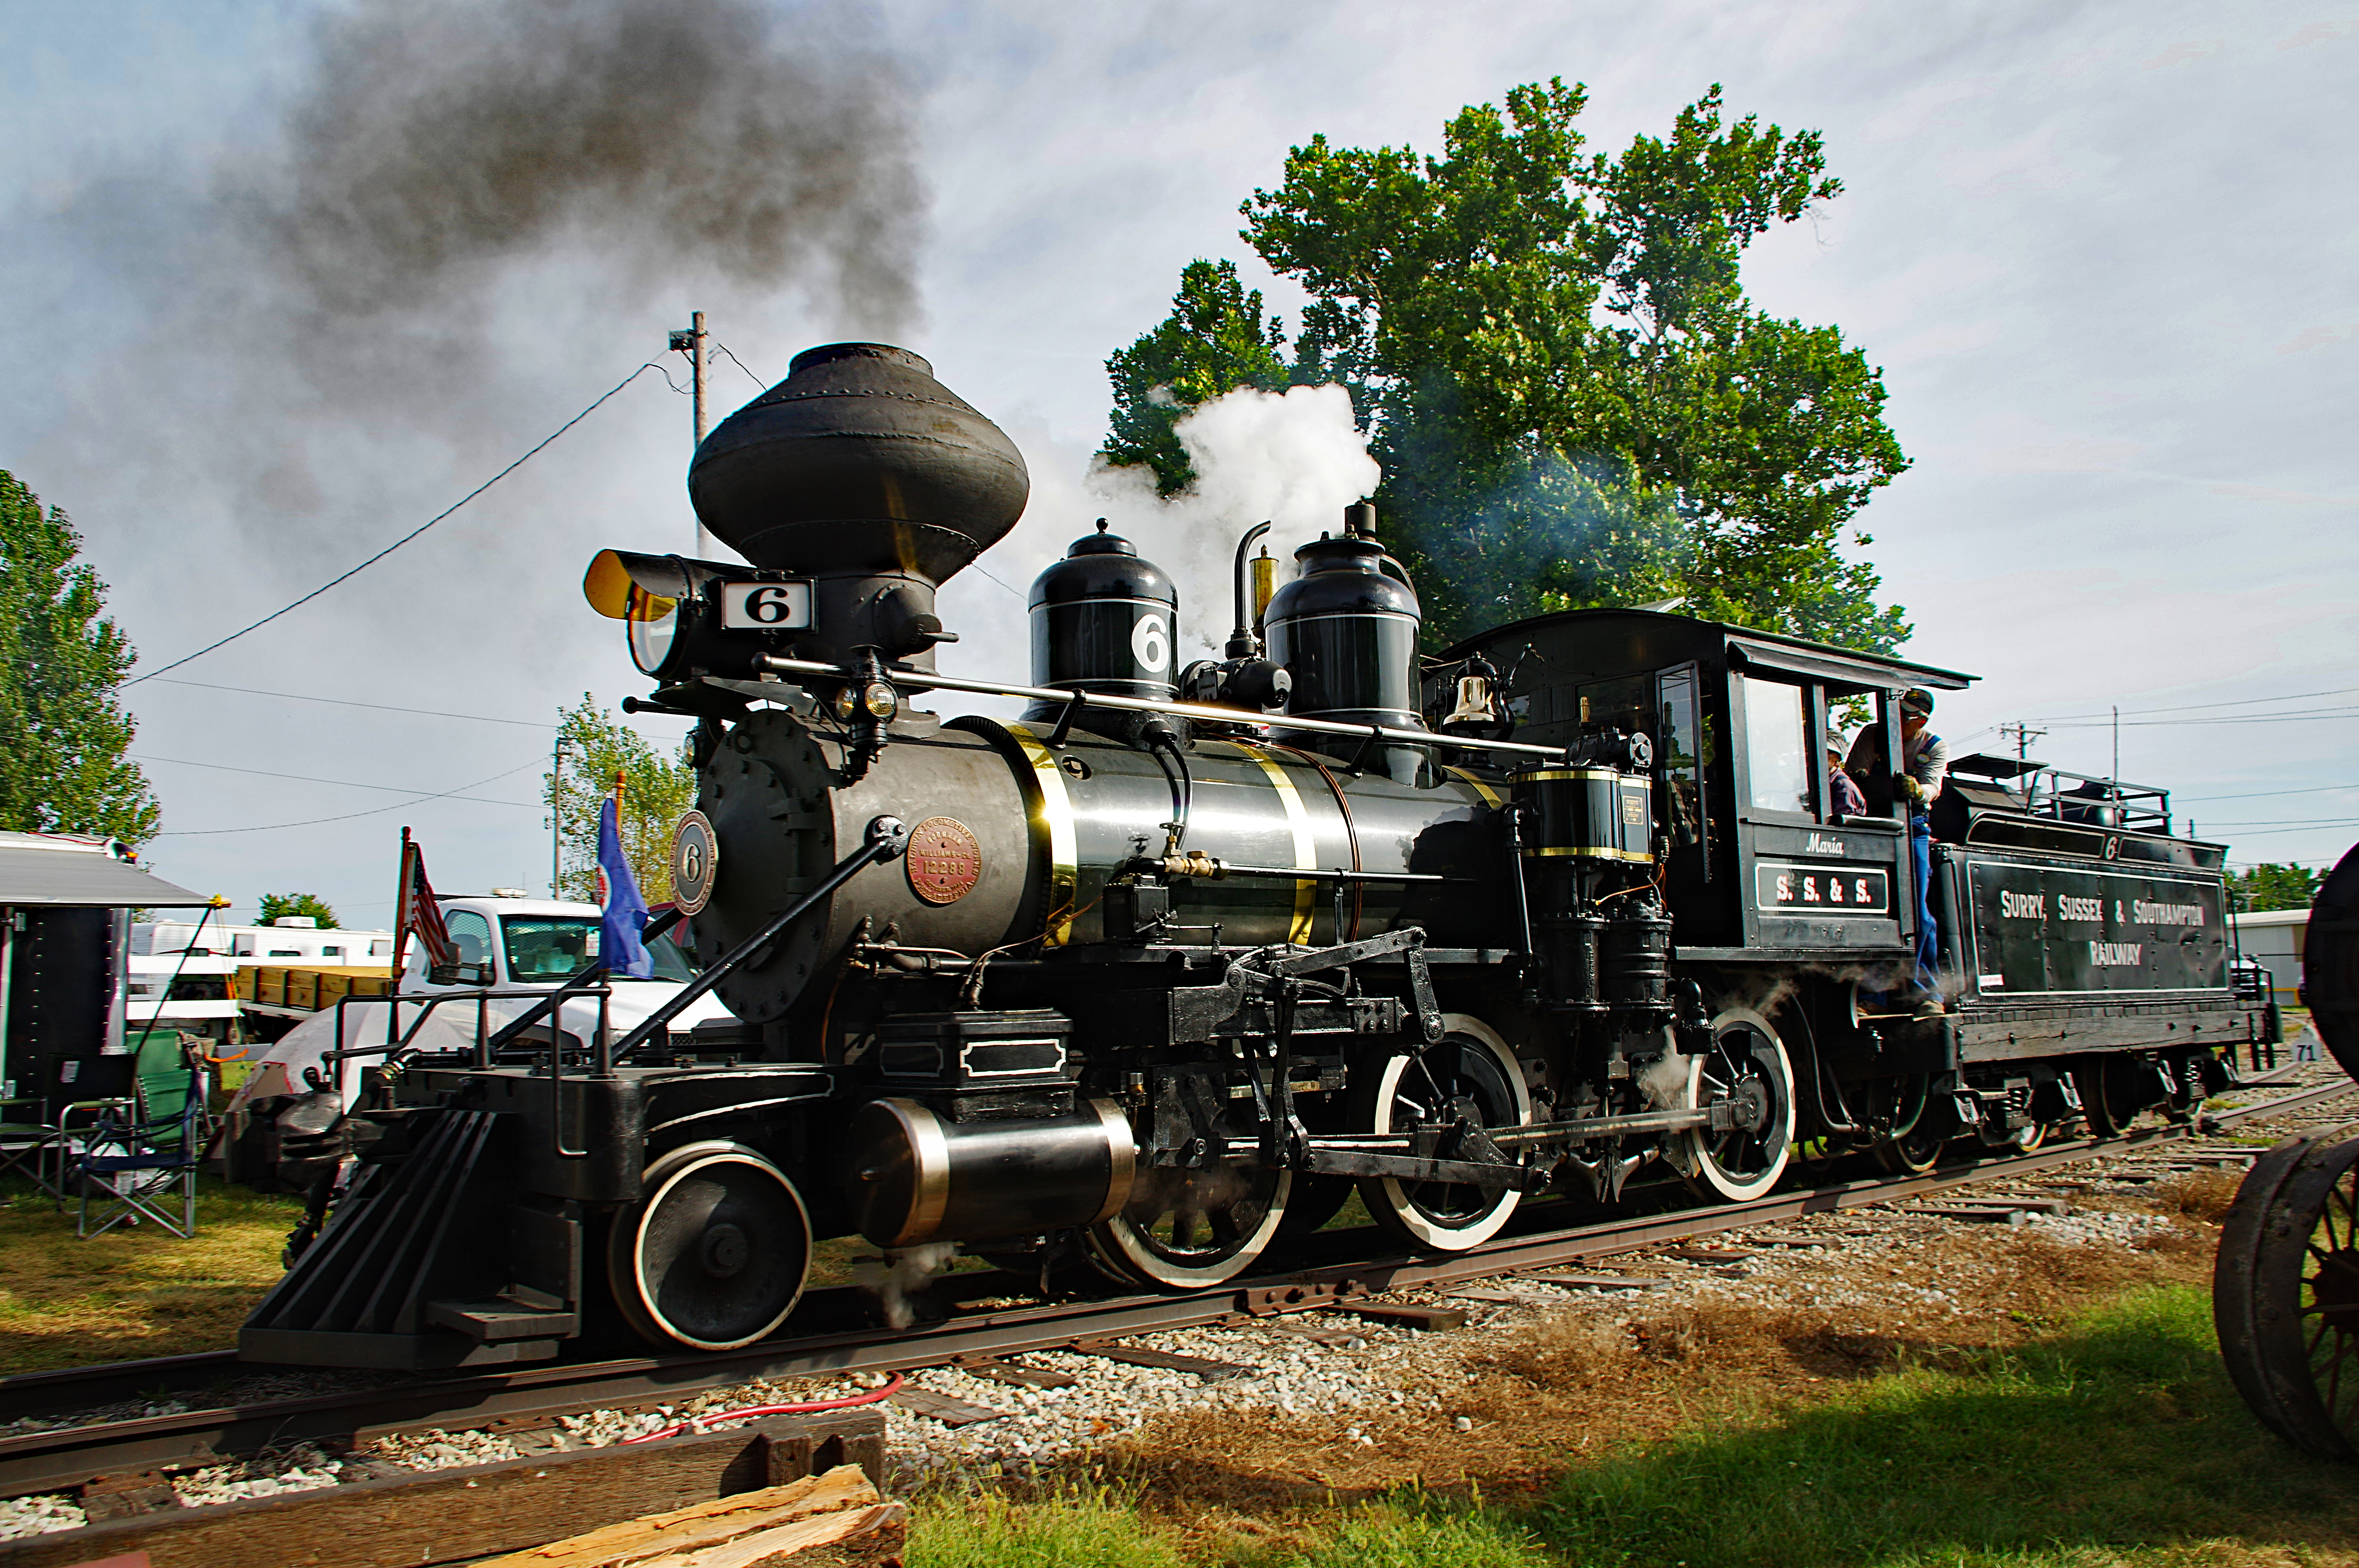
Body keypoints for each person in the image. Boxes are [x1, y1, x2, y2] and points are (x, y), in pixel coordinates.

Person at [1845, 689, 1948, 1014]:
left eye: (1906, 715)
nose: (1898, 720)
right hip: (1871, 824)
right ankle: (1873, 997)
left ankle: (1928, 994)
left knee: (1918, 912)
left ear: (1921, 720)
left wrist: (1917, 791)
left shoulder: (1934, 746)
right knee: (1872, 912)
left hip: (1912, 827)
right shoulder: (1872, 735)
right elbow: (1855, 772)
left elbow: (1934, 787)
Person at [1827, 737, 1867, 818]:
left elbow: (1841, 828)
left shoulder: (1844, 788)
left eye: (1827, 752)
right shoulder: (1810, 783)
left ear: (1838, 761)